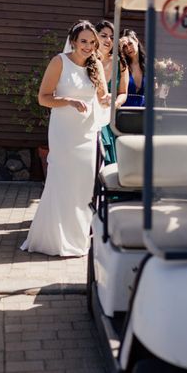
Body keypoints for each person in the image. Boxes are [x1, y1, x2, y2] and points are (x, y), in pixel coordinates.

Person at [20, 20, 109, 256]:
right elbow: (43, 98)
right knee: (61, 181)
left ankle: (77, 239)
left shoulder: (96, 65)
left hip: (87, 133)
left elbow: (101, 98)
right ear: (73, 41)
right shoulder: (59, 62)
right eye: (84, 41)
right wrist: (68, 101)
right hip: (64, 133)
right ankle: (52, 239)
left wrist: (111, 100)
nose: (88, 46)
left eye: (92, 42)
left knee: (83, 185)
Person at [95, 20, 129, 164]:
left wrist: (115, 104)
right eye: (104, 35)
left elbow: (123, 93)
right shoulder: (86, 61)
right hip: (90, 116)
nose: (108, 40)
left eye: (112, 37)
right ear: (95, 36)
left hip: (109, 117)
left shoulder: (120, 63)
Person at [120, 29, 146, 107]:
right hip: (124, 111)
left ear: (136, 41)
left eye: (130, 43)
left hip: (143, 111)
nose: (128, 48)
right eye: (124, 46)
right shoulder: (122, 65)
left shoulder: (149, 65)